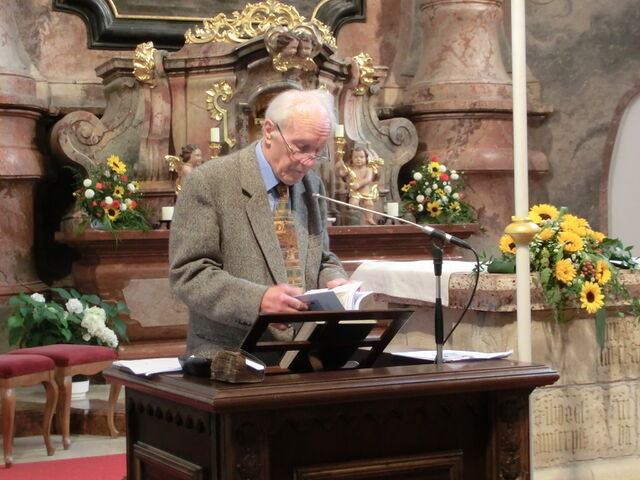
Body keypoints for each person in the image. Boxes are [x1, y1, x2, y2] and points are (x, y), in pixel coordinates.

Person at [169, 89, 348, 357]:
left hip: (302, 352)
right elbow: (189, 273)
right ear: (269, 131)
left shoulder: (312, 186)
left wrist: (336, 282)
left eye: (318, 152)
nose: (308, 162)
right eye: (301, 148)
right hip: (230, 354)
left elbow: (322, 258)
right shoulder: (209, 181)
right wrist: (258, 301)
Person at [336, 145, 380, 225]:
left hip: (366, 192)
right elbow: (341, 174)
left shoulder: (368, 169)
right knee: (353, 204)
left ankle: (369, 218)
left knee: (369, 204)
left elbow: (368, 179)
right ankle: (357, 217)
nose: (358, 159)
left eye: (361, 157)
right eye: (355, 157)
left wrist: (359, 184)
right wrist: (338, 167)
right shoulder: (351, 169)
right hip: (355, 193)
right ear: (352, 159)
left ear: (366, 158)